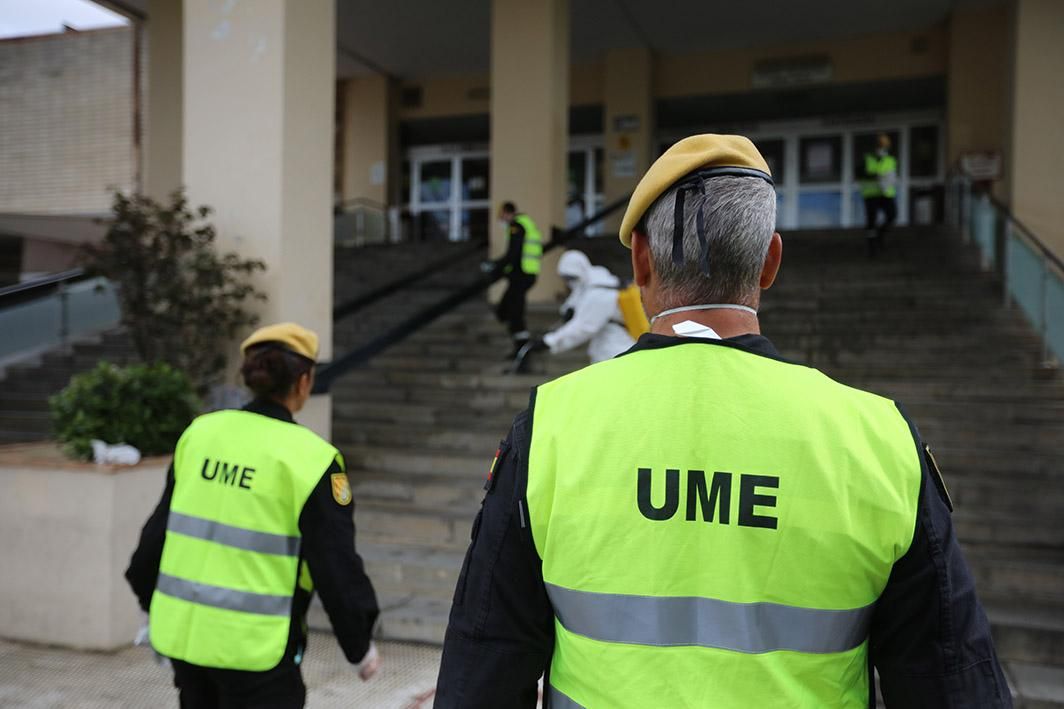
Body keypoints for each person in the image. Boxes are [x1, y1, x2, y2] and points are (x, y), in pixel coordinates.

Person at [434, 135, 1010, 708]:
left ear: (640, 260)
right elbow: (954, 684)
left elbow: (481, 669)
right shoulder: (879, 440)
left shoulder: (549, 429)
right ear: (770, 263)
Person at [126, 322, 380, 708]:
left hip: (185, 642)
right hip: (257, 653)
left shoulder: (200, 434)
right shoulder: (312, 459)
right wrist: (358, 645)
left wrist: (151, 605)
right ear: (304, 381)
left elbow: (155, 538)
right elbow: (335, 564)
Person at [537, 250, 634, 364]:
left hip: (616, 349)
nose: (569, 282)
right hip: (607, 346)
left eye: (571, 277)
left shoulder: (600, 293)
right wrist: (569, 309)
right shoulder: (592, 283)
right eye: (566, 278)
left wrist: (549, 341)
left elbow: (583, 327)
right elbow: (578, 294)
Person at [492, 201, 543, 357]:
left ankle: (522, 348)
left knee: (512, 311)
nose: (500, 219)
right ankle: (521, 346)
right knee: (508, 310)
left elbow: (514, 254)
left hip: (521, 274)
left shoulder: (516, 226)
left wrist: (497, 268)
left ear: (508, 212)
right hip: (527, 273)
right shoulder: (526, 223)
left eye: (501, 215)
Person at [863, 132, 898, 257]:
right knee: (871, 221)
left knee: (892, 215)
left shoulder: (890, 159)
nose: (881, 148)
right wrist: (875, 176)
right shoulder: (867, 158)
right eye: (879, 145)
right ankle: (872, 246)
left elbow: (892, 175)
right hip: (871, 193)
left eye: (884, 145)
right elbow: (861, 174)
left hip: (886, 193)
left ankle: (880, 234)